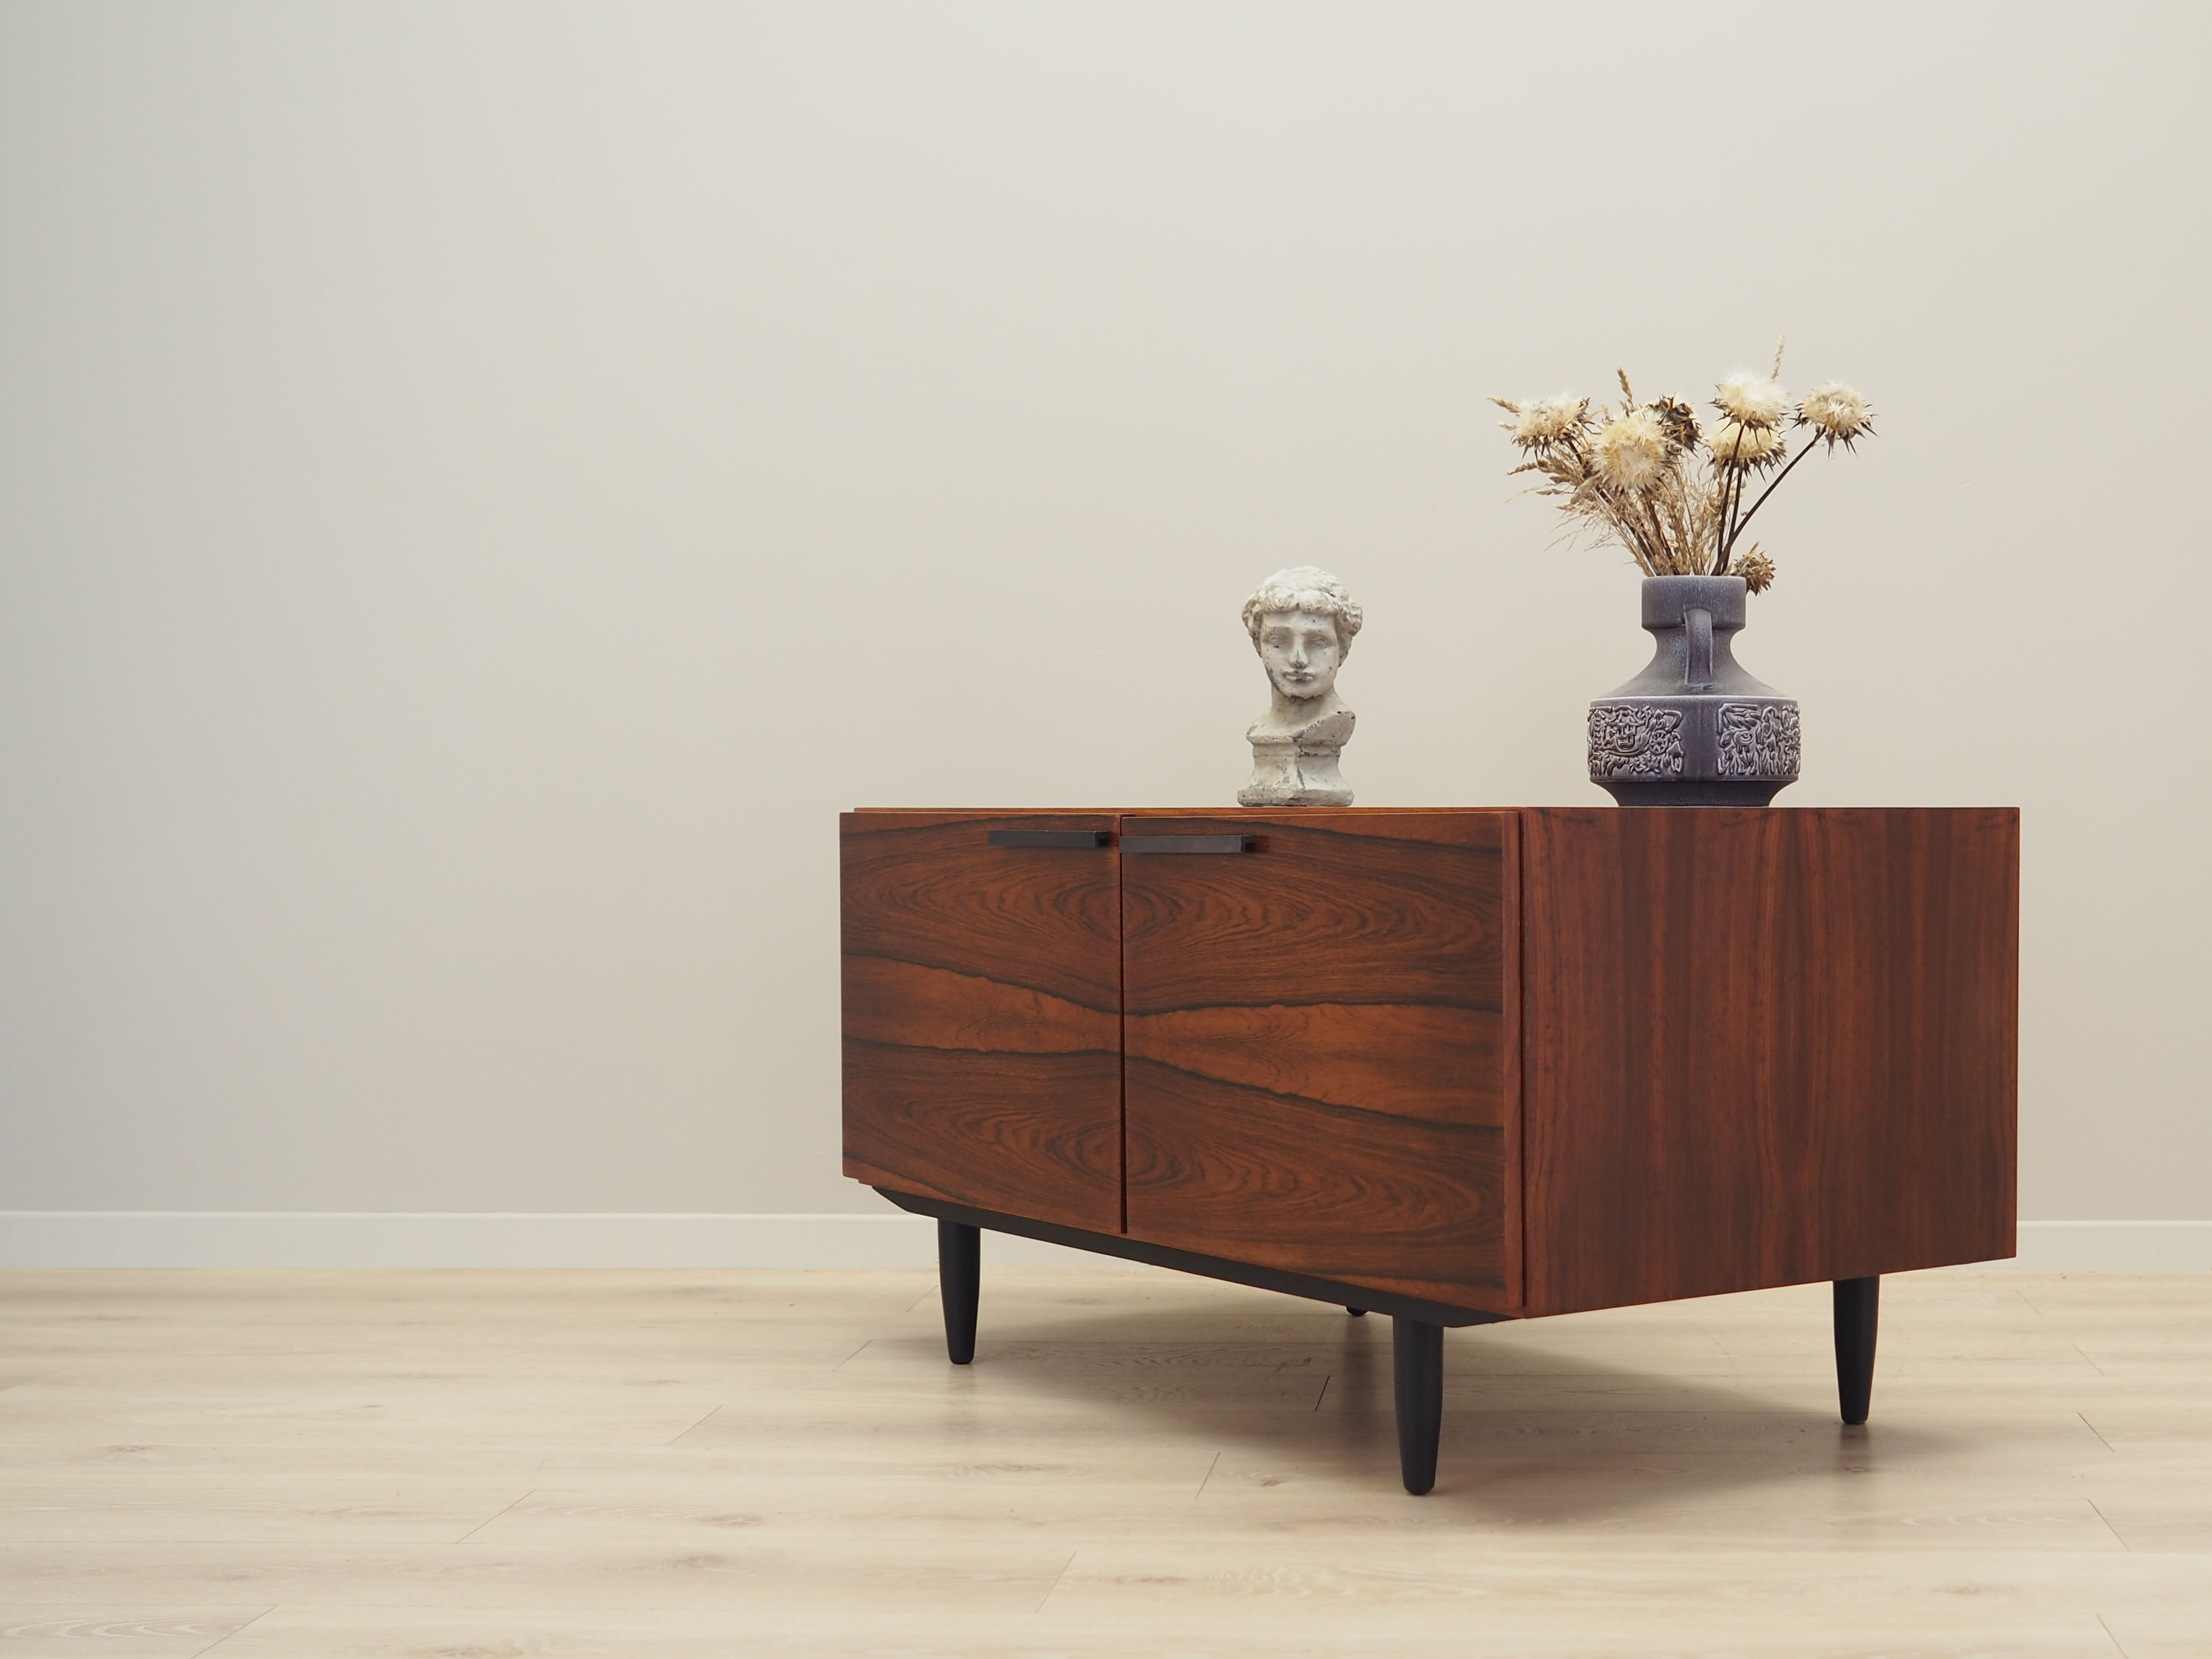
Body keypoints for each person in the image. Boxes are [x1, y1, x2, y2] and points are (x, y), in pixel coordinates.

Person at [1237, 567, 1360, 806]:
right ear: (1258, 646)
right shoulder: (1263, 726)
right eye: (1278, 641)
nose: (1298, 659)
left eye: (1318, 642)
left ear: (1343, 649)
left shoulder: (1337, 721)